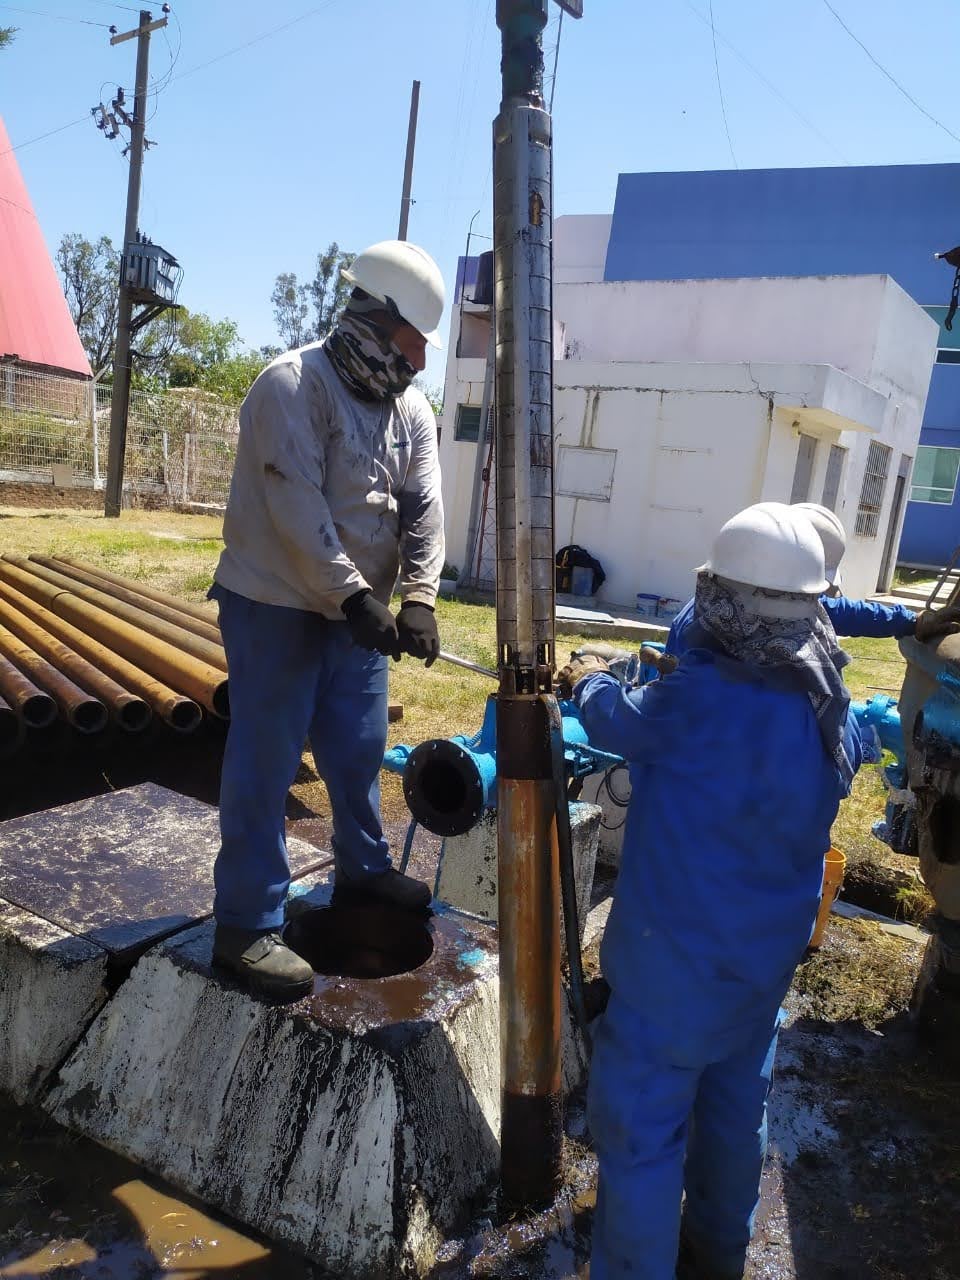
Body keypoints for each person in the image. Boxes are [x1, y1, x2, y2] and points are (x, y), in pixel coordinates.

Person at [558, 503, 863, 1280]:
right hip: (761, 969)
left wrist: (586, 678)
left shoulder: (696, 699)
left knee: (642, 1134)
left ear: (724, 596)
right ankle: (721, 1255)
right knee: (734, 1113)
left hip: (672, 973)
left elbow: (617, 719)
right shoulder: (830, 702)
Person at [208, 239, 446, 1001]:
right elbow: (294, 510)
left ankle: (364, 874)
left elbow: (425, 508)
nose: (417, 362)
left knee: (358, 748)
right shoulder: (292, 386)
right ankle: (245, 927)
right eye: (411, 344)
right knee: (267, 761)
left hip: (358, 611)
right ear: (376, 319)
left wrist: (419, 597)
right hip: (276, 601)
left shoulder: (410, 408)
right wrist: (352, 598)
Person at [665, 501, 958, 660]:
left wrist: (909, 621)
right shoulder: (699, 630)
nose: (810, 603)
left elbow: (845, 612)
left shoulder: (785, 611)